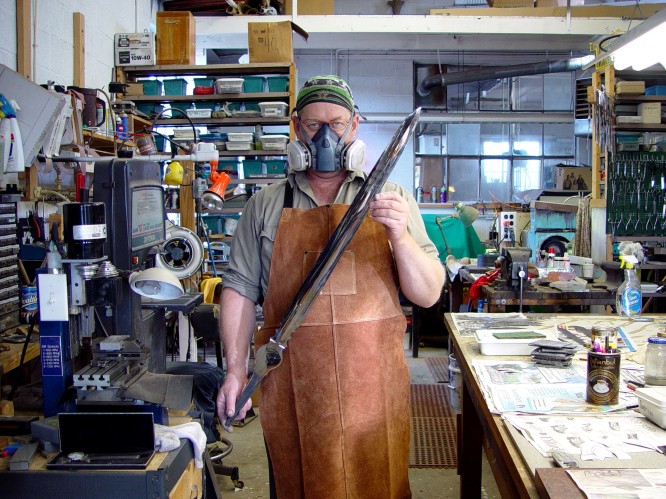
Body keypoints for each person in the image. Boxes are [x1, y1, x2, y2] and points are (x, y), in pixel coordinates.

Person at [216, 75, 445, 498]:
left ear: (354, 127)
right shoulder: (266, 205)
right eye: (313, 123)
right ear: (296, 127)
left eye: (336, 124)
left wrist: (399, 235)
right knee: (298, 483)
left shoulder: (389, 197)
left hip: (371, 387)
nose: (325, 135)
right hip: (292, 385)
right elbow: (240, 289)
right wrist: (234, 371)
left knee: (378, 481)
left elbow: (427, 293)